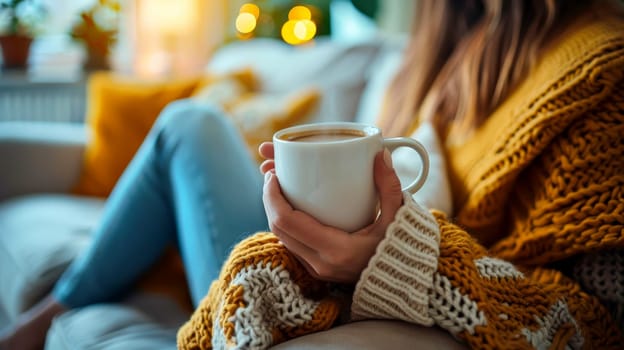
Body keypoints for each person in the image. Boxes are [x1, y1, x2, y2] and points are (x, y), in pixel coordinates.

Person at [2, 0, 623, 349]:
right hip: (329, 264)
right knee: (186, 124)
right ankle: (57, 310)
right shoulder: (443, 50)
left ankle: (48, 318)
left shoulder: (599, 72)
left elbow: (598, 322)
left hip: (358, 296)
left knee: (187, 128)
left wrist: (400, 257)